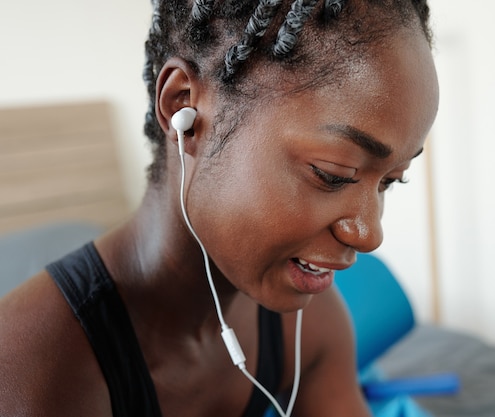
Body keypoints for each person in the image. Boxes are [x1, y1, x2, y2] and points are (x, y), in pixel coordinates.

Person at [0, 0, 438, 415]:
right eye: (332, 172)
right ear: (183, 107)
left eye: (389, 181)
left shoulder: (308, 325)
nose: (369, 234)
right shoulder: (29, 371)